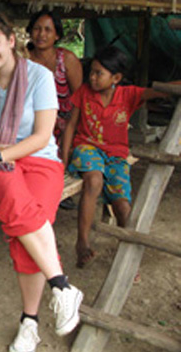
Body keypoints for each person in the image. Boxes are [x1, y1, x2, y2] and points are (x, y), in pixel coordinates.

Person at [0, 13, 83, 352]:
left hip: (39, 161)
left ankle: (29, 321)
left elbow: (42, 136)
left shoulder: (39, 77)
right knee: (22, 207)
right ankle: (60, 286)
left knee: (24, 227)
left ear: (11, 40)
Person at [61, 46, 169, 268]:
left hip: (116, 155)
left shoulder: (128, 95)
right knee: (94, 180)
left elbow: (160, 91)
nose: (92, 77)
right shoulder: (83, 92)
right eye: (91, 71)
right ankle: (82, 242)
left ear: (116, 78)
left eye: (98, 73)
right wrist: (63, 159)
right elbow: (71, 125)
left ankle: (129, 262)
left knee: (122, 206)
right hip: (86, 147)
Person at [26, 11, 83, 146]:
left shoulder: (67, 60)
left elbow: (80, 99)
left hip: (64, 127)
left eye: (47, 30)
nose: (41, 34)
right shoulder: (23, 59)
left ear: (57, 35)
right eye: (37, 29)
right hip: (31, 125)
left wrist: (70, 130)